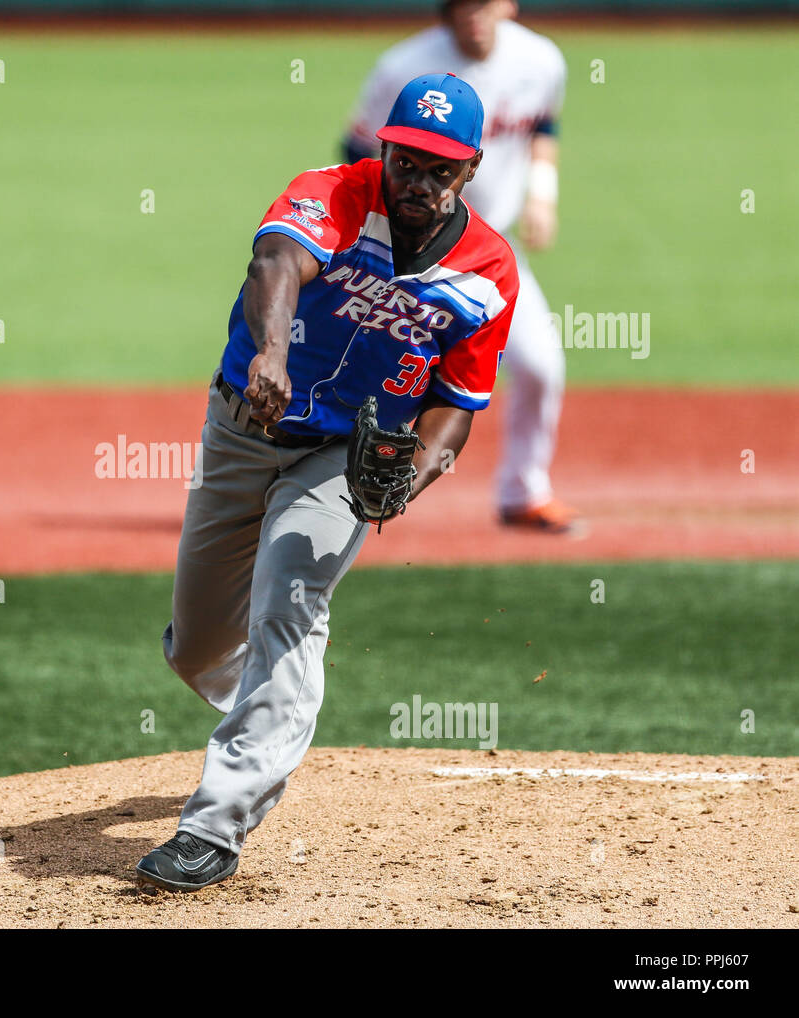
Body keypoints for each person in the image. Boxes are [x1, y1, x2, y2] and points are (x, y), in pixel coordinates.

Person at [135, 73, 519, 892]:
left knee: (292, 599)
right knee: (198, 646)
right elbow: (275, 261)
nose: (419, 182)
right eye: (407, 161)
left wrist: (406, 480)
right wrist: (270, 354)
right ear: (381, 147)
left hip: (346, 456)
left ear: (472, 169)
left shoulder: (488, 269)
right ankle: (277, 706)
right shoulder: (333, 195)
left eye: (439, 170)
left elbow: (457, 403)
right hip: (245, 427)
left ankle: (215, 825)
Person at [343, 0, 581, 534]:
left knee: (542, 368)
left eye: (482, 2)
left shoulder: (541, 60)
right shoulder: (402, 68)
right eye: (459, 4)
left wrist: (543, 194)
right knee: (361, 372)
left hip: (486, 257)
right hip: (394, 253)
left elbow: (544, 125)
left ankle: (523, 493)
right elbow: (357, 153)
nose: (471, 13)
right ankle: (301, 484)